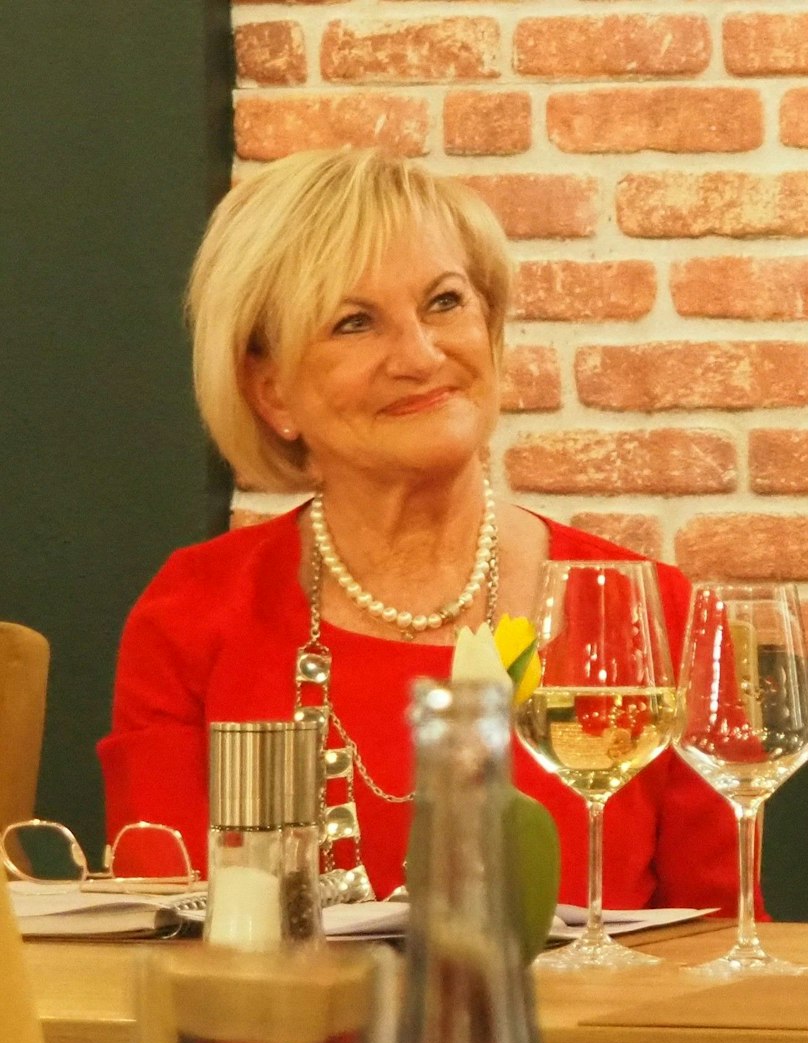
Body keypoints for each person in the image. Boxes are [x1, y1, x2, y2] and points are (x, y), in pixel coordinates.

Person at [97, 148, 739, 918]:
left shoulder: (648, 614)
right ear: (272, 394)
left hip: (581, 1040)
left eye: (443, 303)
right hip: (288, 1036)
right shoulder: (194, 613)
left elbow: (725, 948)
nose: (422, 355)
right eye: (354, 322)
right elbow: (165, 926)